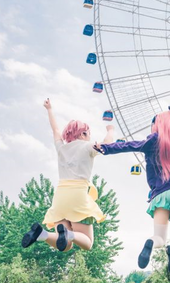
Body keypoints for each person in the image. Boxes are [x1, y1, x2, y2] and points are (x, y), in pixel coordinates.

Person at [94, 79, 170, 275]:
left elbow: (128, 145)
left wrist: (105, 148)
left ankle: (152, 243)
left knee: (159, 237)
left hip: (161, 194)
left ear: (159, 126)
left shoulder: (153, 140)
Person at [21, 99, 114, 251]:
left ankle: (41, 235)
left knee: (64, 247)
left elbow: (56, 131)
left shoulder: (61, 149)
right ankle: (69, 234)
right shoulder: (87, 146)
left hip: (60, 196)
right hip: (78, 195)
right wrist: (110, 130)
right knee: (88, 243)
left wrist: (49, 109)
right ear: (83, 133)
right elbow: (107, 144)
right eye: (88, 133)